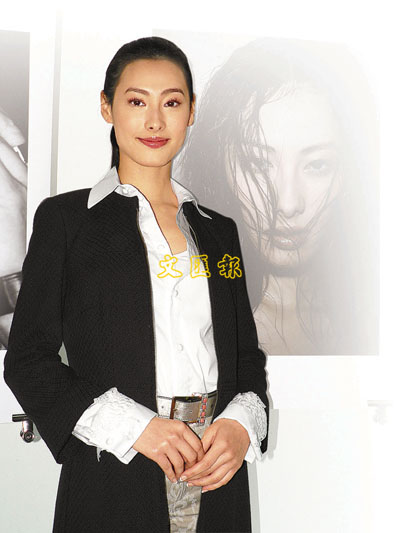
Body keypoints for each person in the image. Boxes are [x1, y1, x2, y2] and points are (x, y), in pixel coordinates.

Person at [3, 36, 269, 532]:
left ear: (192, 112)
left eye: (172, 102)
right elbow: (28, 362)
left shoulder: (220, 233)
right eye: (136, 102)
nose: (155, 121)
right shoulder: (67, 221)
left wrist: (240, 426)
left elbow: (245, 357)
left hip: (216, 471)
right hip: (117, 467)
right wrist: (138, 428)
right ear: (107, 107)